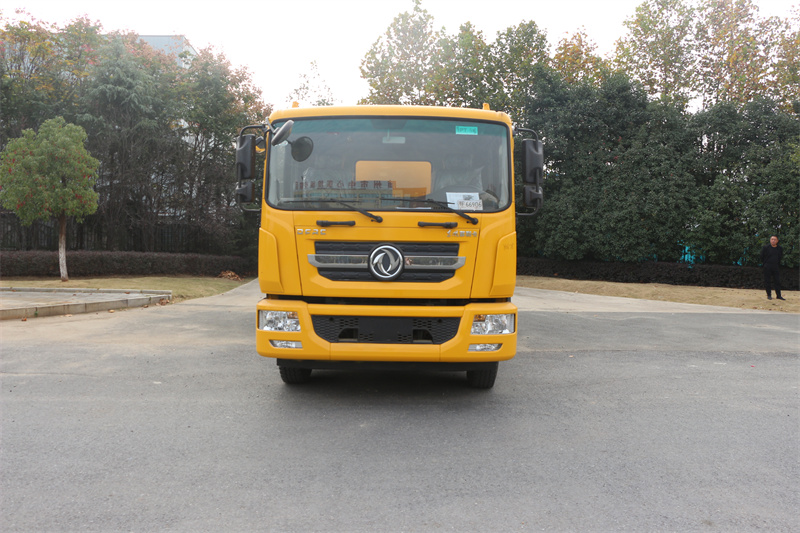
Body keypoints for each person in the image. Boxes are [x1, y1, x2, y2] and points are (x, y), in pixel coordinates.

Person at [760, 235, 785, 300]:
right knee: (767, 281)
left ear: (777, 241)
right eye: (772, 239)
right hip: (767, 266)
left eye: (774, 239)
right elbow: (762, 256)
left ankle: (778, 295)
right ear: (770, 240)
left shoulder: (779, 248)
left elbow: (780, 256)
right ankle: (769, 295)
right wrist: (765, 264)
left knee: (777, 281)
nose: (773, 241)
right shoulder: (766, 248)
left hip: (776, 266)